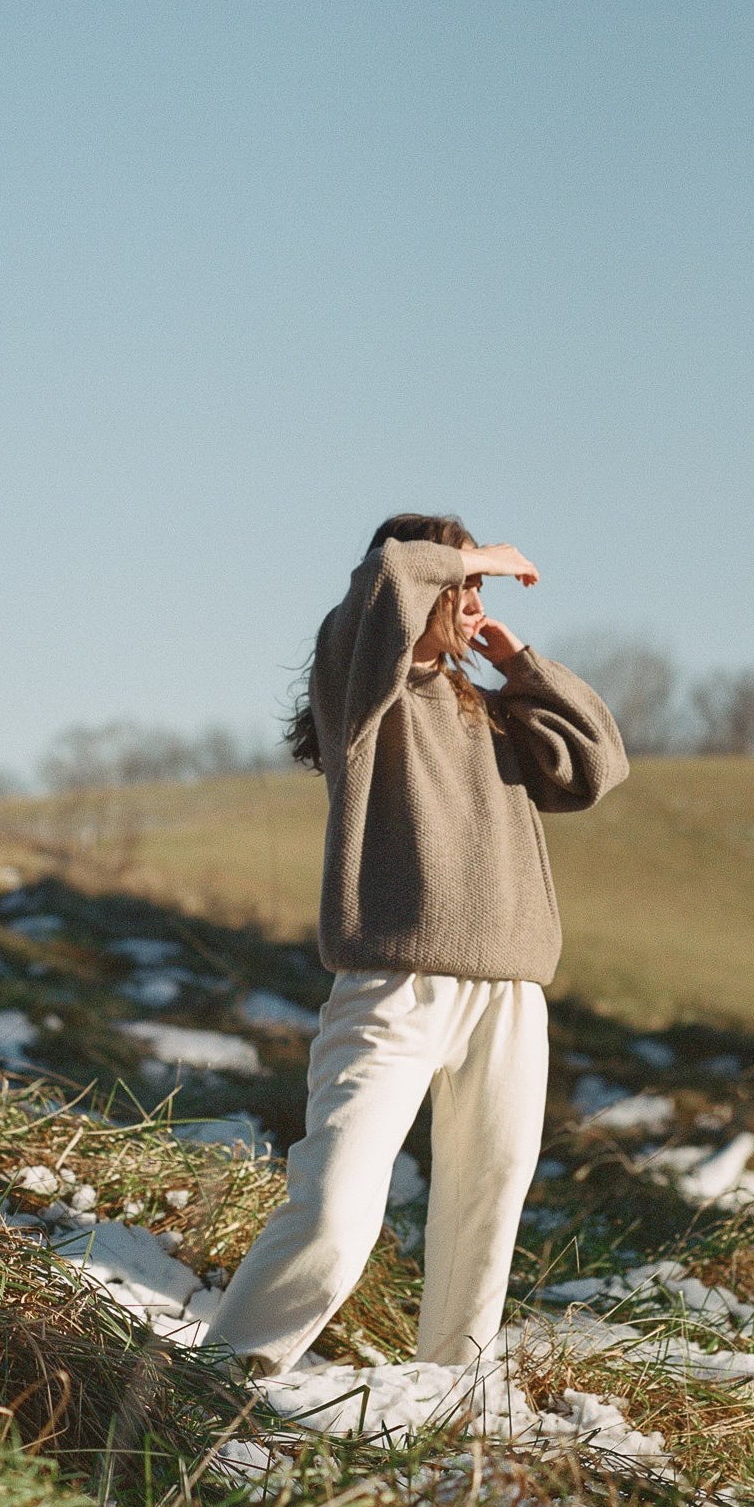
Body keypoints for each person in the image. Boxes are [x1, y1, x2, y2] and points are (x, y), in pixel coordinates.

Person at [208, 513, 629, 1374]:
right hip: (394, 986)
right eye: (460, 585)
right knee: (334, 1206)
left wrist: (518, 665)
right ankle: (218, 1380)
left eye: (477, 588)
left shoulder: (490, 710)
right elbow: (380, 583)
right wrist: (465, 559)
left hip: (509, 993)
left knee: (485, 1208)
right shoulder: (363, 694)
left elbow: (596, 766)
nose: (472, 600)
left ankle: (448, 1395)